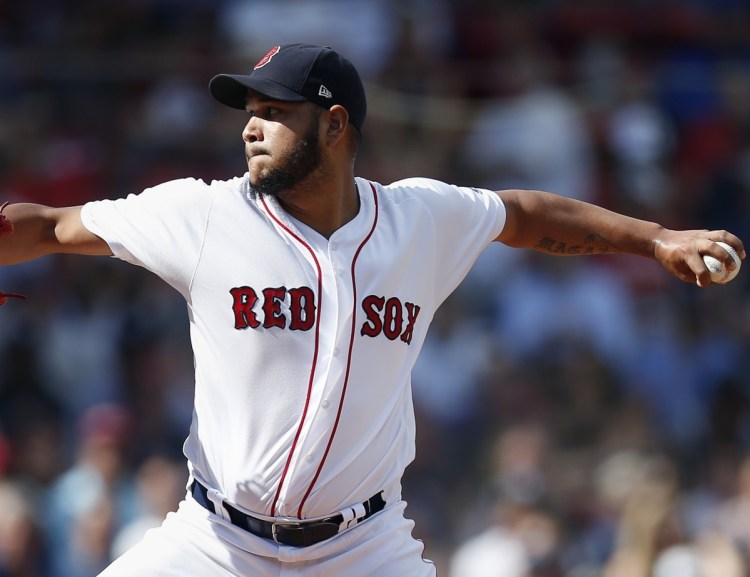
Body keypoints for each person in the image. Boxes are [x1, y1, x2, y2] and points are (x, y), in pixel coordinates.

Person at [0, 43, 744, 577]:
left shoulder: (419, 218)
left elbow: (522, 213)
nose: (249, 127)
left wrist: (656, 240)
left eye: (272, 110)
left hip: (361, 547)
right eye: (248, 111)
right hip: (214, 540)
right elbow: (54, 225)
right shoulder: (204, 214)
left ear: (335, 126)